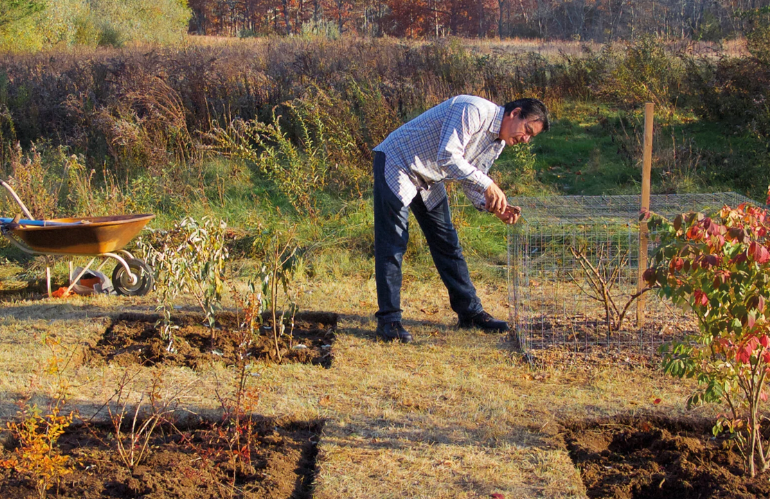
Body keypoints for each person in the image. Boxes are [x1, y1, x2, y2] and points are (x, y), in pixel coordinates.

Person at [372, 95, 549, 343]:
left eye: (531, 137)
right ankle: (388, 322)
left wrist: (493, 206)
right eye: (527, 130)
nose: (525, 139)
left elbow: (471, 179)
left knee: (447, 242)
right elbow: (448, 156)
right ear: (514, 113)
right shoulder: (473, 110)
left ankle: (470, 313)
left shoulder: (497, 142)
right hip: (398, 162)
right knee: (393, 244)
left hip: (428, 175)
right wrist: (488, 185)